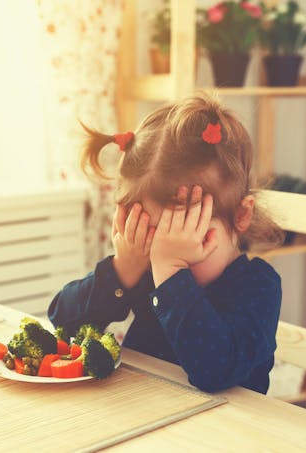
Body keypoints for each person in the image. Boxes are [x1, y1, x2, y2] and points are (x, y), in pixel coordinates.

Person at [48, 93, 284, 394]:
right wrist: (122, 271)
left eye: (187, 232)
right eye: (152, 232)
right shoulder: (147, 267)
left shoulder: (258, 286)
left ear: (241, 215)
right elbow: (63, 325)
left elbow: (215, 371)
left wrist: (171, 273)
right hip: (143, 411)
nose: (163, 250)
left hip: (225, 422)